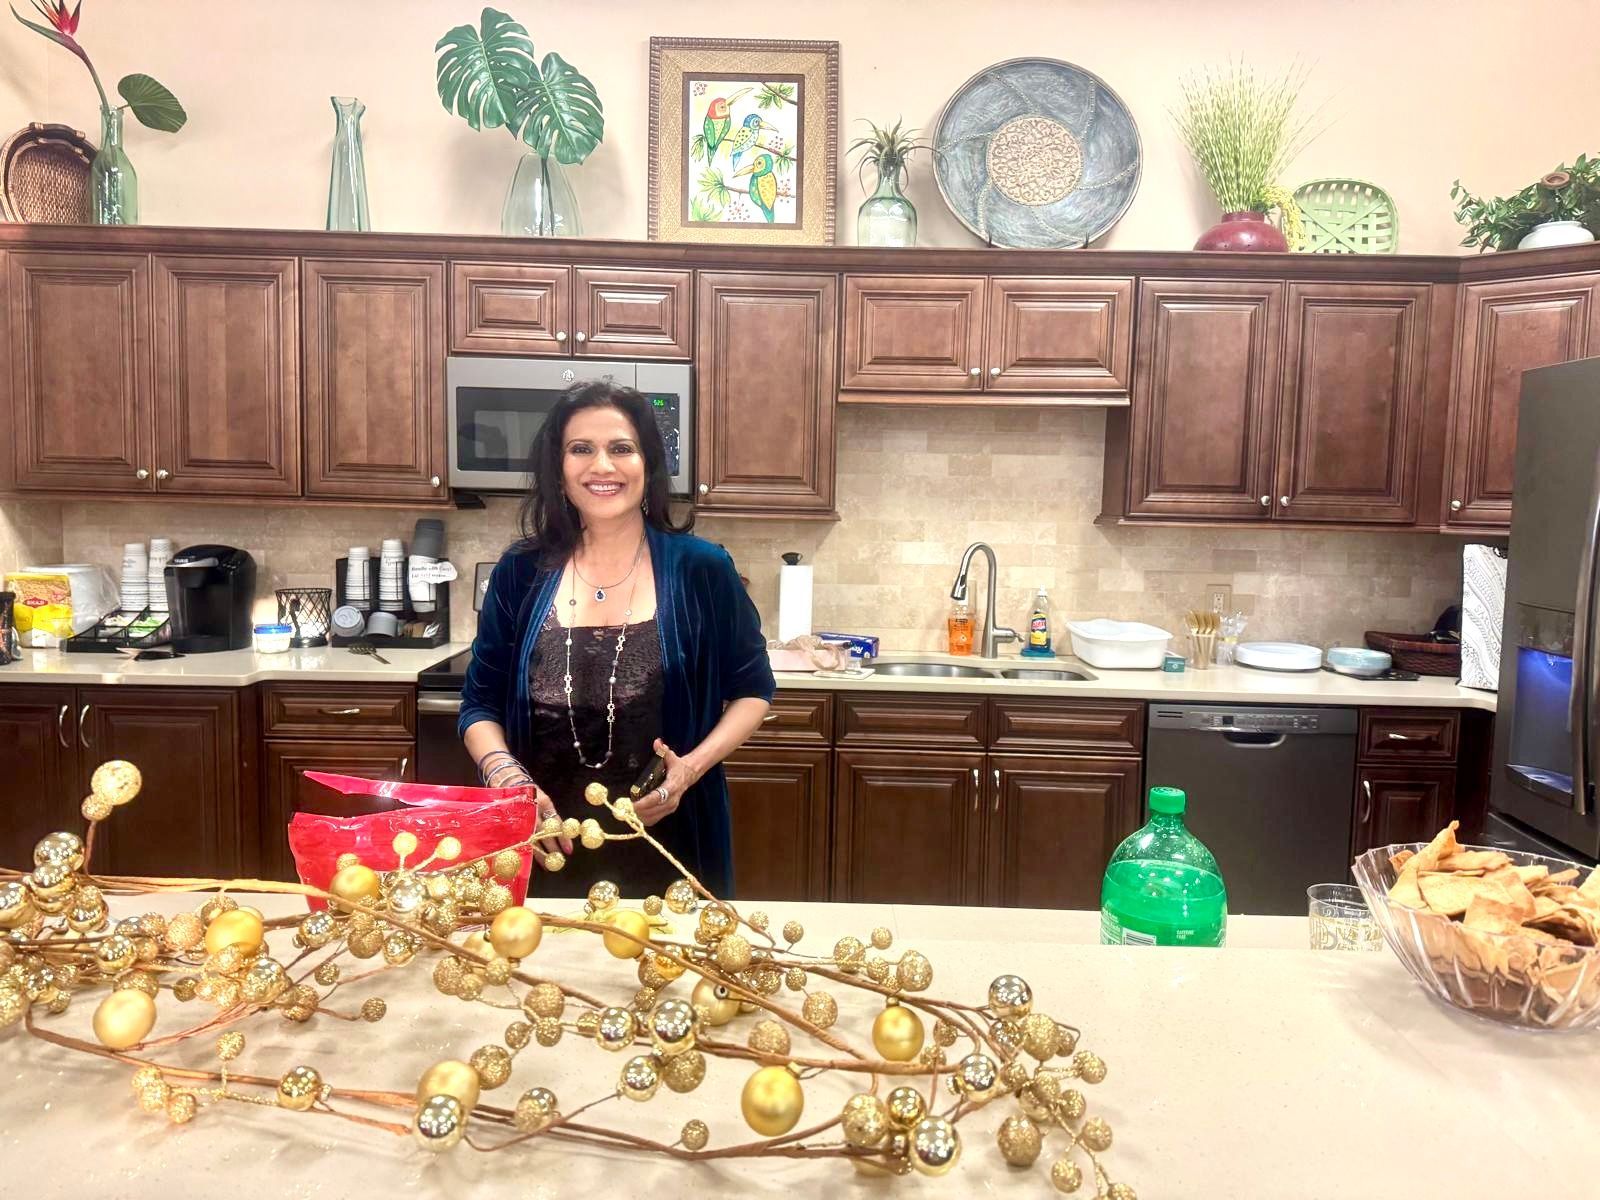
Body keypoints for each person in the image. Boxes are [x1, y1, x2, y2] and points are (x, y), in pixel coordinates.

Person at [458, 380, 774, 897]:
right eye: (581, 449)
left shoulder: (702, 568)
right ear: (558, 468)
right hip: (543, 844)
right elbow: (479, 704)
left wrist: (688, 771)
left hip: (670, 848)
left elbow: (753, 690)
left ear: (647, 465)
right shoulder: (520, 571)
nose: (602, 466)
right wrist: (509, 782)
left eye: (621, 448)